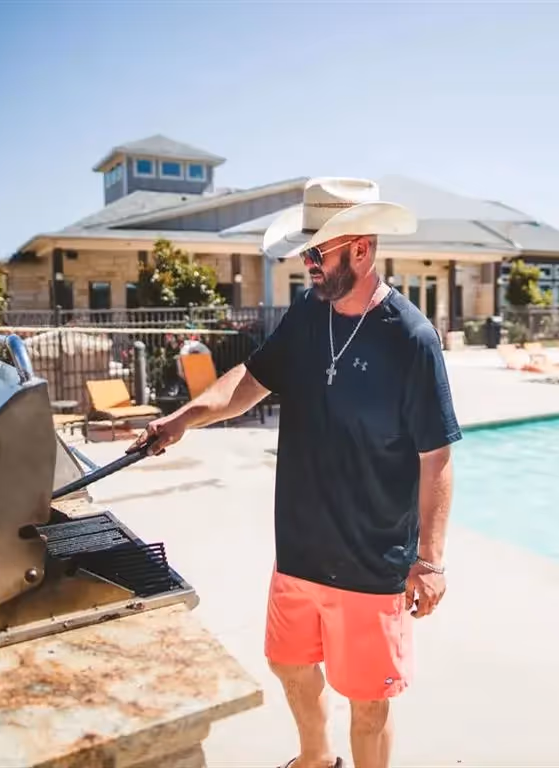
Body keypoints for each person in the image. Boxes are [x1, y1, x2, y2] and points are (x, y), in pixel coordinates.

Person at [129, 177, 461, 768]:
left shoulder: (410, 339)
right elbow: (249, 382)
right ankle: (315, 759)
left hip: (371, 559)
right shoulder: (309, 314)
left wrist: (430, 560)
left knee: (368, 702)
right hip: (301, 549)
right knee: (289, 663)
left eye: (318, 252)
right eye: (306, 250)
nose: (307, 263)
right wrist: (184, 418)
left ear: (360, 249)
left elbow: (435, 456)